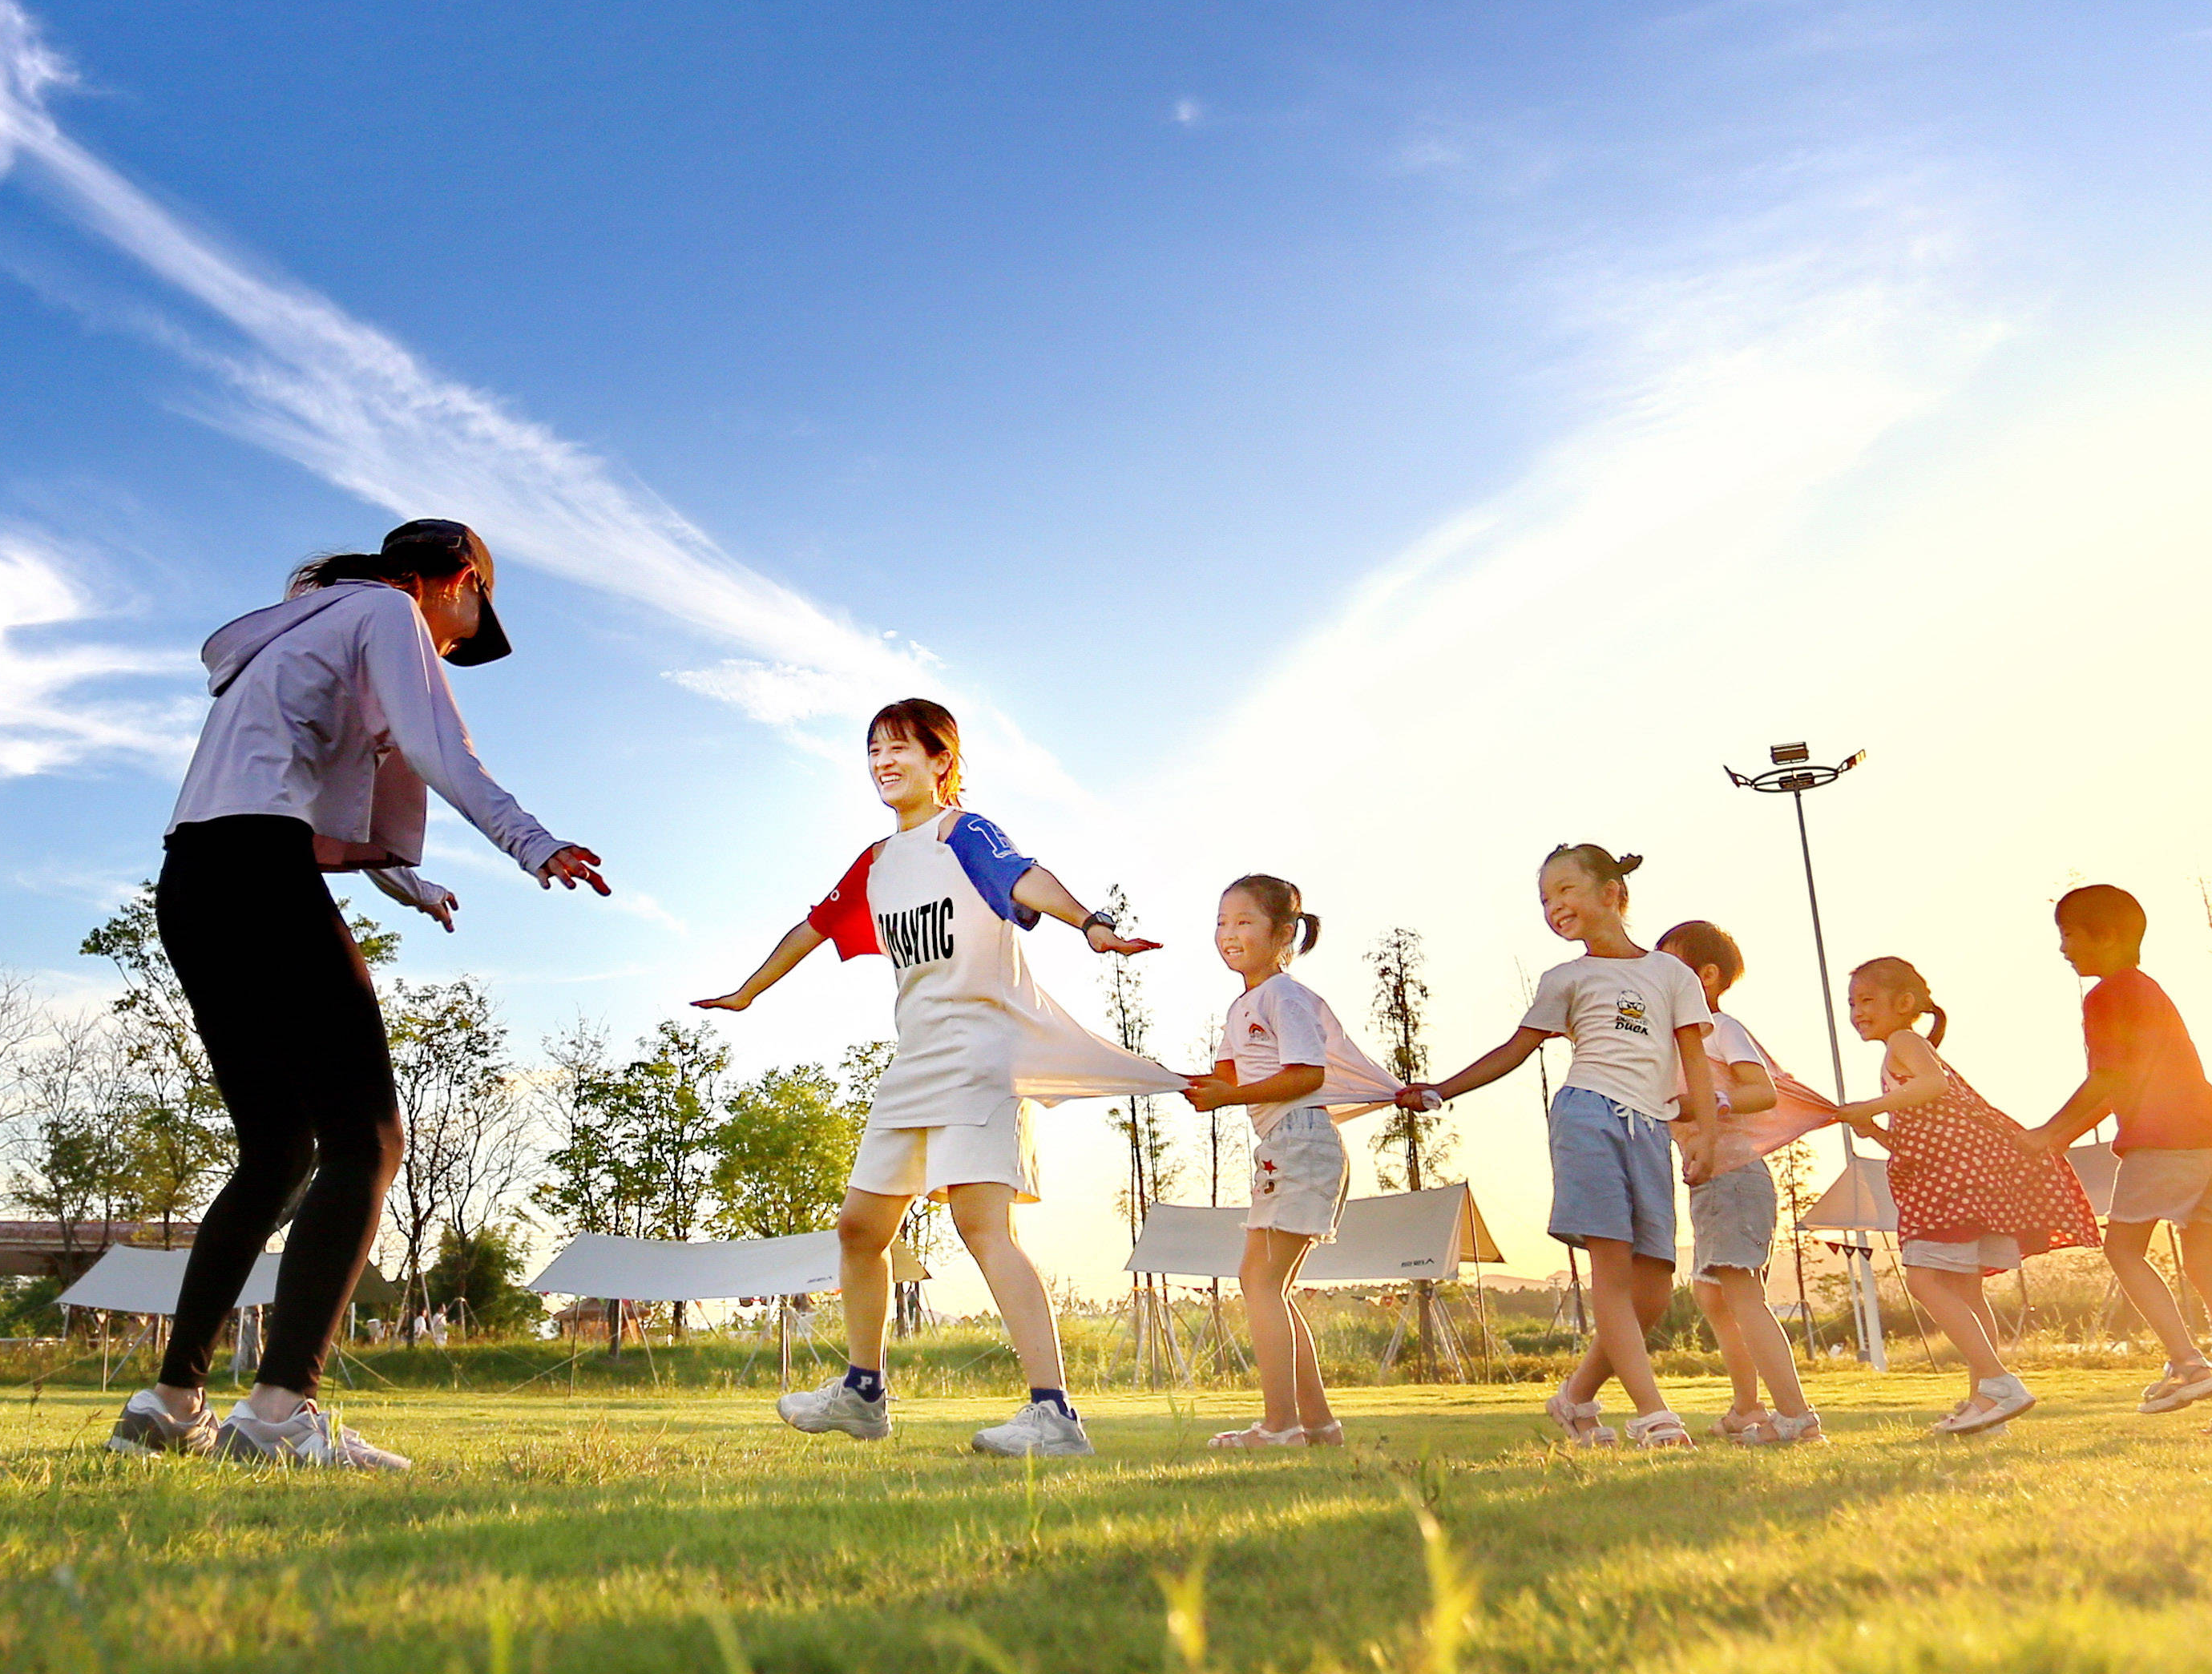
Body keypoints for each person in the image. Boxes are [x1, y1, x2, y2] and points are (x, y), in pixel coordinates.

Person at [107, 518, 607, 1470]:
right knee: (366, 1142)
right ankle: (279, 1414)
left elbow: (290, 794)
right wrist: (530, 840)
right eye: (465, 625)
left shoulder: (298, 628)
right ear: (455, 582)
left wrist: (403, 882)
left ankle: (169, 1402)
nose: (451, 645)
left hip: (194, 882)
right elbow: (434, 747)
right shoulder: (386, 608)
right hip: (258, 878)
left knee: (273, 1152)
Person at [695, 699, 1170, 1458]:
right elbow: (813, 927)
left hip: (980, 1054)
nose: (883, 762)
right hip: (913, 1061)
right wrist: (750, 990)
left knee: (982, 1226)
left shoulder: (963, 832)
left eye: (901, 749)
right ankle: (863, 1394)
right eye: (873, 750)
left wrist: (1090, 924)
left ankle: (1054, 1415)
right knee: (859, 1227)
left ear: (941, 762)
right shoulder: (877, 863)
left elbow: (1023, 877)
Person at [1399, 846, 1721, 1449]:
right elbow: (1514, 1049)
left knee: (1652, 1290)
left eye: (1567, 890)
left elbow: (1693, 1061)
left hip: (1650, 1128)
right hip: (1586, 1118)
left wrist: (1703, 1134)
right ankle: (1655, 1414)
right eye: (1546, 898)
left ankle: (1574, 1397)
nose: (1556, 906)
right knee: (1612, 1266)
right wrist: (1440, 1090)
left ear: (1611, 893)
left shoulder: (1670, 975)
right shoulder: (1565, 979)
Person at [2019, 885, 2212, 1438]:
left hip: (2166, 1139)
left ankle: (2187, 1363)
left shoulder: (2105, 995)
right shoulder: (2147, 989)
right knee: (2204, 1265)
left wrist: (2045, 1132)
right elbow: (2113, 1088)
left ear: (2104, 937)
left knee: (2122, 1248)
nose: (2062, 949)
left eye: (2068, 936)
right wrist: (2056, 1136)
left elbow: (2107, 1078)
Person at [1829, 956, 2096, 1436]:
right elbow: (1928, 1124)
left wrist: (1870, 1105)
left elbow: (1936, 1087)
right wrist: (1877, 1132)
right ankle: (1986, 1407)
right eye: (1852, 1003)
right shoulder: (1901, 1052)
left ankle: (1997, 1383)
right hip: (1967, 1180)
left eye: (1867, 1000)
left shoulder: (1904, 1042)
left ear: (1904, 1004)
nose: (1856, 1012)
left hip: (1949, 1186)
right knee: (1966, 1290)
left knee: (1926, 1281)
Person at [1181, 875, 1403, 1449]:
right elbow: (1227, 1076)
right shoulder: (1244, 1005)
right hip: (1282, 1146)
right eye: (1221, 922)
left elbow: (1309, 1074)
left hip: (1300, 1141)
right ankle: (1318, 1425)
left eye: (1244, 922)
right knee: (1264, 1284)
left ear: (1283, 933)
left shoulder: (1284, 995)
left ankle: (1280, 1425)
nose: (1228, 934)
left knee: (1259, 1281)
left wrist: (1227, 1096)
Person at [1655, 921, 1830, 1447]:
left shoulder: (1719, 1028)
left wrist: (1709, 1105)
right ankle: (1746, 1406)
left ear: (1705, 977)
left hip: (1734, 1178)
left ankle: (1797, 1419)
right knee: (1713, 1297)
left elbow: (1761, 1090)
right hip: (1712, 1184)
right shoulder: (1678, 1043)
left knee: (1741, 1294)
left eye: (1670, 969)